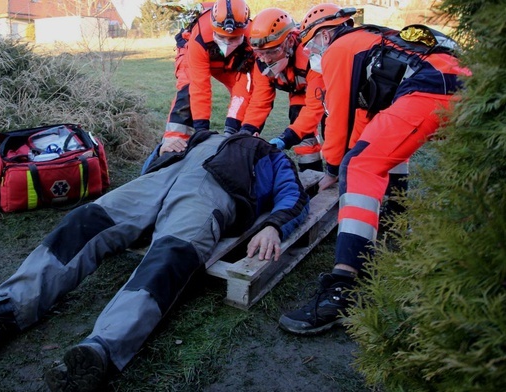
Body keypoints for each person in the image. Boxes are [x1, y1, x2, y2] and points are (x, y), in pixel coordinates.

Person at [0, 131, 310, 392]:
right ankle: (4, 311)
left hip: (212, 194)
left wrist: (274, 226)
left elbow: (295, 197)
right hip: (159, 181)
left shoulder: (269, 154)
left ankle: (102, 349)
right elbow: (154, 162)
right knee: (86, 220)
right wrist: (163, 150)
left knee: (169, 258)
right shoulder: (203, 135)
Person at [278, 3, 470, 335]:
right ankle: (395, 226)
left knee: (359, 164)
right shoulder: (367, 40)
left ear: (324, 34)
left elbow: (339, 118)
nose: (310, 52)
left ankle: (342, 286)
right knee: (382, 151)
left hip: (432, 89)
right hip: (453, 82)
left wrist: (335, 169)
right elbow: (367, 122)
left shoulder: (339, 50)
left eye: (310, 44)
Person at [153, 0, 255, 160]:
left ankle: (242, 139)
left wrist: (232, 128)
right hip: (195, 52)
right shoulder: (199, 35)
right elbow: (199, 86)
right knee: (188, 87)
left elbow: (244, 85)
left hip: (231, 61)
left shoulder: (253, 36)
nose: (227, 43)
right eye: (222, 37)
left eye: (233, 39)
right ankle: (173, 142)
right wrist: (201, 130)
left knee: (249, 90)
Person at [240, 7, 325, 173]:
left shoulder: (311, 57)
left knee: (332, 130)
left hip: (325, 89)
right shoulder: (261, 62)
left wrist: (287, 137)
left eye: (272, 52)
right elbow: (260, 101)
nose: (265, 59)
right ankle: (312, 173)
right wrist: (247, 130)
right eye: (259, 53)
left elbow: (315, 107)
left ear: (289, 42)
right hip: (299, 90)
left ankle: (336, 171)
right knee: (298, 120)